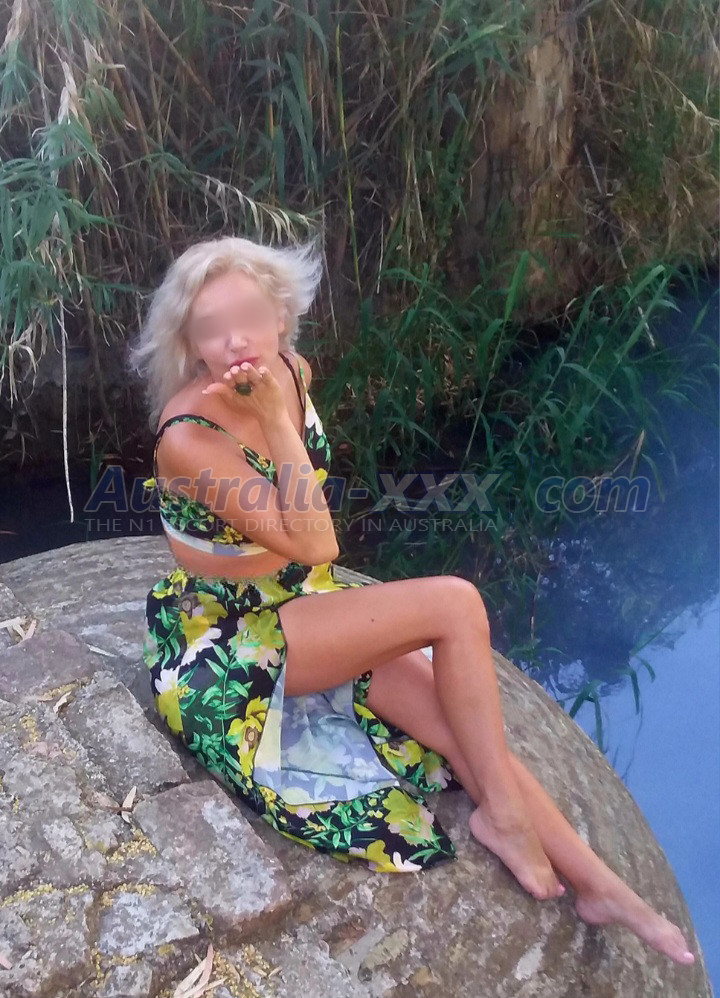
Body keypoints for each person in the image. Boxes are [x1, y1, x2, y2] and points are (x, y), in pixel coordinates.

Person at [128, 234, 695, 966]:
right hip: (233, 640)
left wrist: (275, 406)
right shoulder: (188, 437)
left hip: (303, 602)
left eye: (248, 317)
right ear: (190, 341)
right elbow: (318, 542)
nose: (235, 340)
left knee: (464, 731)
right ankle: (510, 821)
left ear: (281, 314)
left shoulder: (292, 371)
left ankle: (601, 885)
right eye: (212, 327)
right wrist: (270, 417)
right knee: (455, 605)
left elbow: (308, 550)